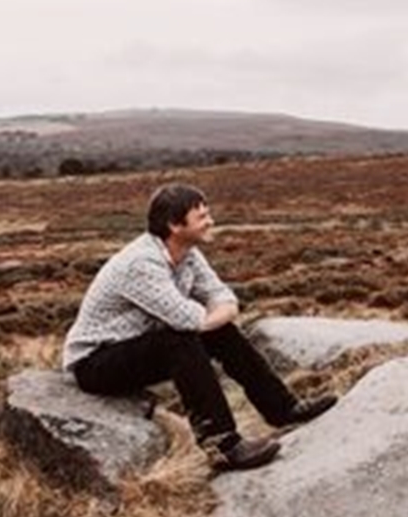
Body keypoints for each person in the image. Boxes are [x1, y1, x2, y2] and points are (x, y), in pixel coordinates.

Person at [62, 183, 337, 471]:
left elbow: (224, 298)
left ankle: (282, 409)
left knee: (219, 332)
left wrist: (213, 317)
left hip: (135, 347)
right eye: (202, 217)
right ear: (174, 225)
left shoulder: (188, 253)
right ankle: (222, 445)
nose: (211, 221)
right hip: (94, 363)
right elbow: (186, 320)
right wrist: (210, 317)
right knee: (179, 340)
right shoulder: (140, 264)